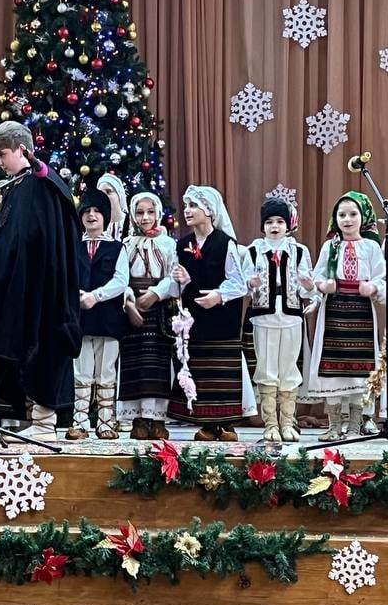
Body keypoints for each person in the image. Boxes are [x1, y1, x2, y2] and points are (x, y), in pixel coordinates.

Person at [0, 122, 82, 441]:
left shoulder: (44, 183)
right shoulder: (15, 187)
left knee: (43, 347)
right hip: (18, 285)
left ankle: (45, 422)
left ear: (22, 150)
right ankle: (26, 418)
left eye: (3, 154)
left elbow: (47, 235)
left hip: (43, 288)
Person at [166, 185, 251, 442]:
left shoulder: (226, 243)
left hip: (222, 320)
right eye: (186, 205)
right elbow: (175, 285)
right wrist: (181, 280)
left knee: (222, 369)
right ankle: (206, 423)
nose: (187, 210)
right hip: (195, 319)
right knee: (201, 370)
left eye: (193, 206)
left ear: (210, 211)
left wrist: (218, 295)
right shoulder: (182, 245)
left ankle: (226, 423)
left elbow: (239, 283)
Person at [305, 191, 385, 441]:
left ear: (364, 217)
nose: (347, 219)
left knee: (361, 371)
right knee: (332, 370)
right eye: (342, 215)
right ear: (335, 219)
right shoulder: (330, 246)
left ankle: (354, 426)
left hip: (361, 314)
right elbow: (317, 276)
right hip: (334, 312)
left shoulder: (371, 247)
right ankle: (333, 426)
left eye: (353, 214)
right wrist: (323, 285)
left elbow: (382, 277)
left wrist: (372, 287)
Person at [246, 197, 317, 443]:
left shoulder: (299, 251)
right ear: (262, 226)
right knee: (266, 368)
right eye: (269, 222)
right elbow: (243, 283)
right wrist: (251, 284)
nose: (274, 226)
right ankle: (270, 424)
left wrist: (309, 287)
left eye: (279, 221)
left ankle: (288, 422)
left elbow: (307, 289)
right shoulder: (253, 251)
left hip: (291, 316)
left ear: (288, 225)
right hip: (263, 316)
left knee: (289, 368)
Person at [67, 189, 129, 441]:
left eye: (96, 211)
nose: (91, 216)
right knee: (81, 372)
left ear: (105, 216)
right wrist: (78, 295)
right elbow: (65, 276)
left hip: (108, 318)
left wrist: (96, 296)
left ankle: (106, 422)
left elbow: (121, 281)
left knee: (106, 371)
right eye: (86, 211)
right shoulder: (73, 247)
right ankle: (80, 421)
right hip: (81, 319)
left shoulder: (117, 248)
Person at [119, 191, 177, 440]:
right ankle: (139, 419)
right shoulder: (126, 244)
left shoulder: (168, 244)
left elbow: (174, 275)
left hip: (159, 310)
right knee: (136, 364)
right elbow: (120, 277)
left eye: (150, 212)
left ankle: (158, 418)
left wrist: (155, 293)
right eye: (140, 212)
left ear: (158, 214)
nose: (145, 217)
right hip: (133, 311)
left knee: (157, 364)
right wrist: (129, 301)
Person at [96, 172, 131, 242]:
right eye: (101, 193)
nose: (104, 196)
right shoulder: (95, 223)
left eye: (108, 192)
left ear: (119, 194)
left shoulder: (131, 223)